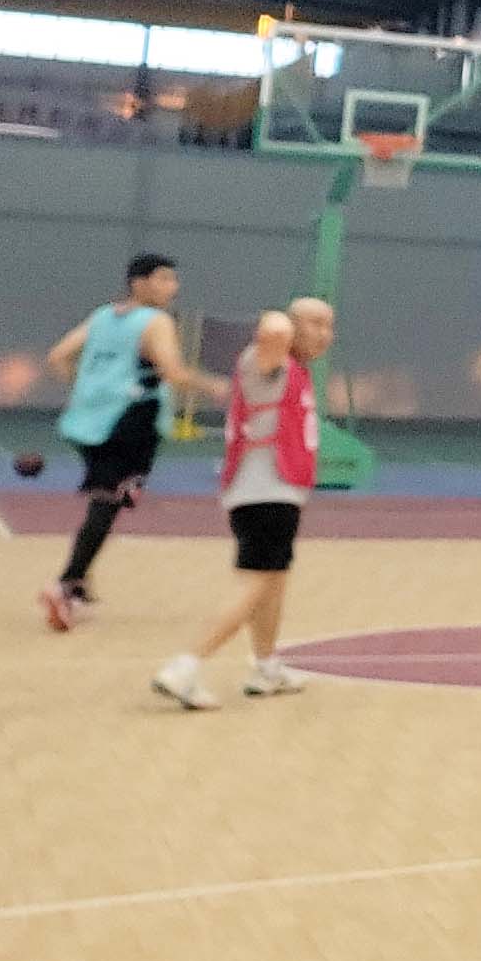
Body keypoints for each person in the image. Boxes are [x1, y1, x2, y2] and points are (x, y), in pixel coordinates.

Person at [151, 296, 333, 709]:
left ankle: (266, 667)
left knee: (273, 579)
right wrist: (281, 321)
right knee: (254, 582)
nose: (325, 334)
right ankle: (186, 666)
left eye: (329, 325)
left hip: (273, 493)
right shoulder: (265, 360)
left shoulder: (292, 370)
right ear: (292, 325)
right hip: (265, 492)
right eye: (315, 324)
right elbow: (274, 329)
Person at [39, 253, 223, 632]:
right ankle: (66, 585)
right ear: (139, 282)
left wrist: (88, 390)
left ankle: (79, 580)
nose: (173, 287)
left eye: (174, 279)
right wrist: (218, 387)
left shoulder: (103, 316)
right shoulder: (156, 322)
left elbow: (58, 356)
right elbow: (173, 372)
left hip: (88, 422)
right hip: (130, 423)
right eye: (164, 279)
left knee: (105, 498)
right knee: (108, 502)